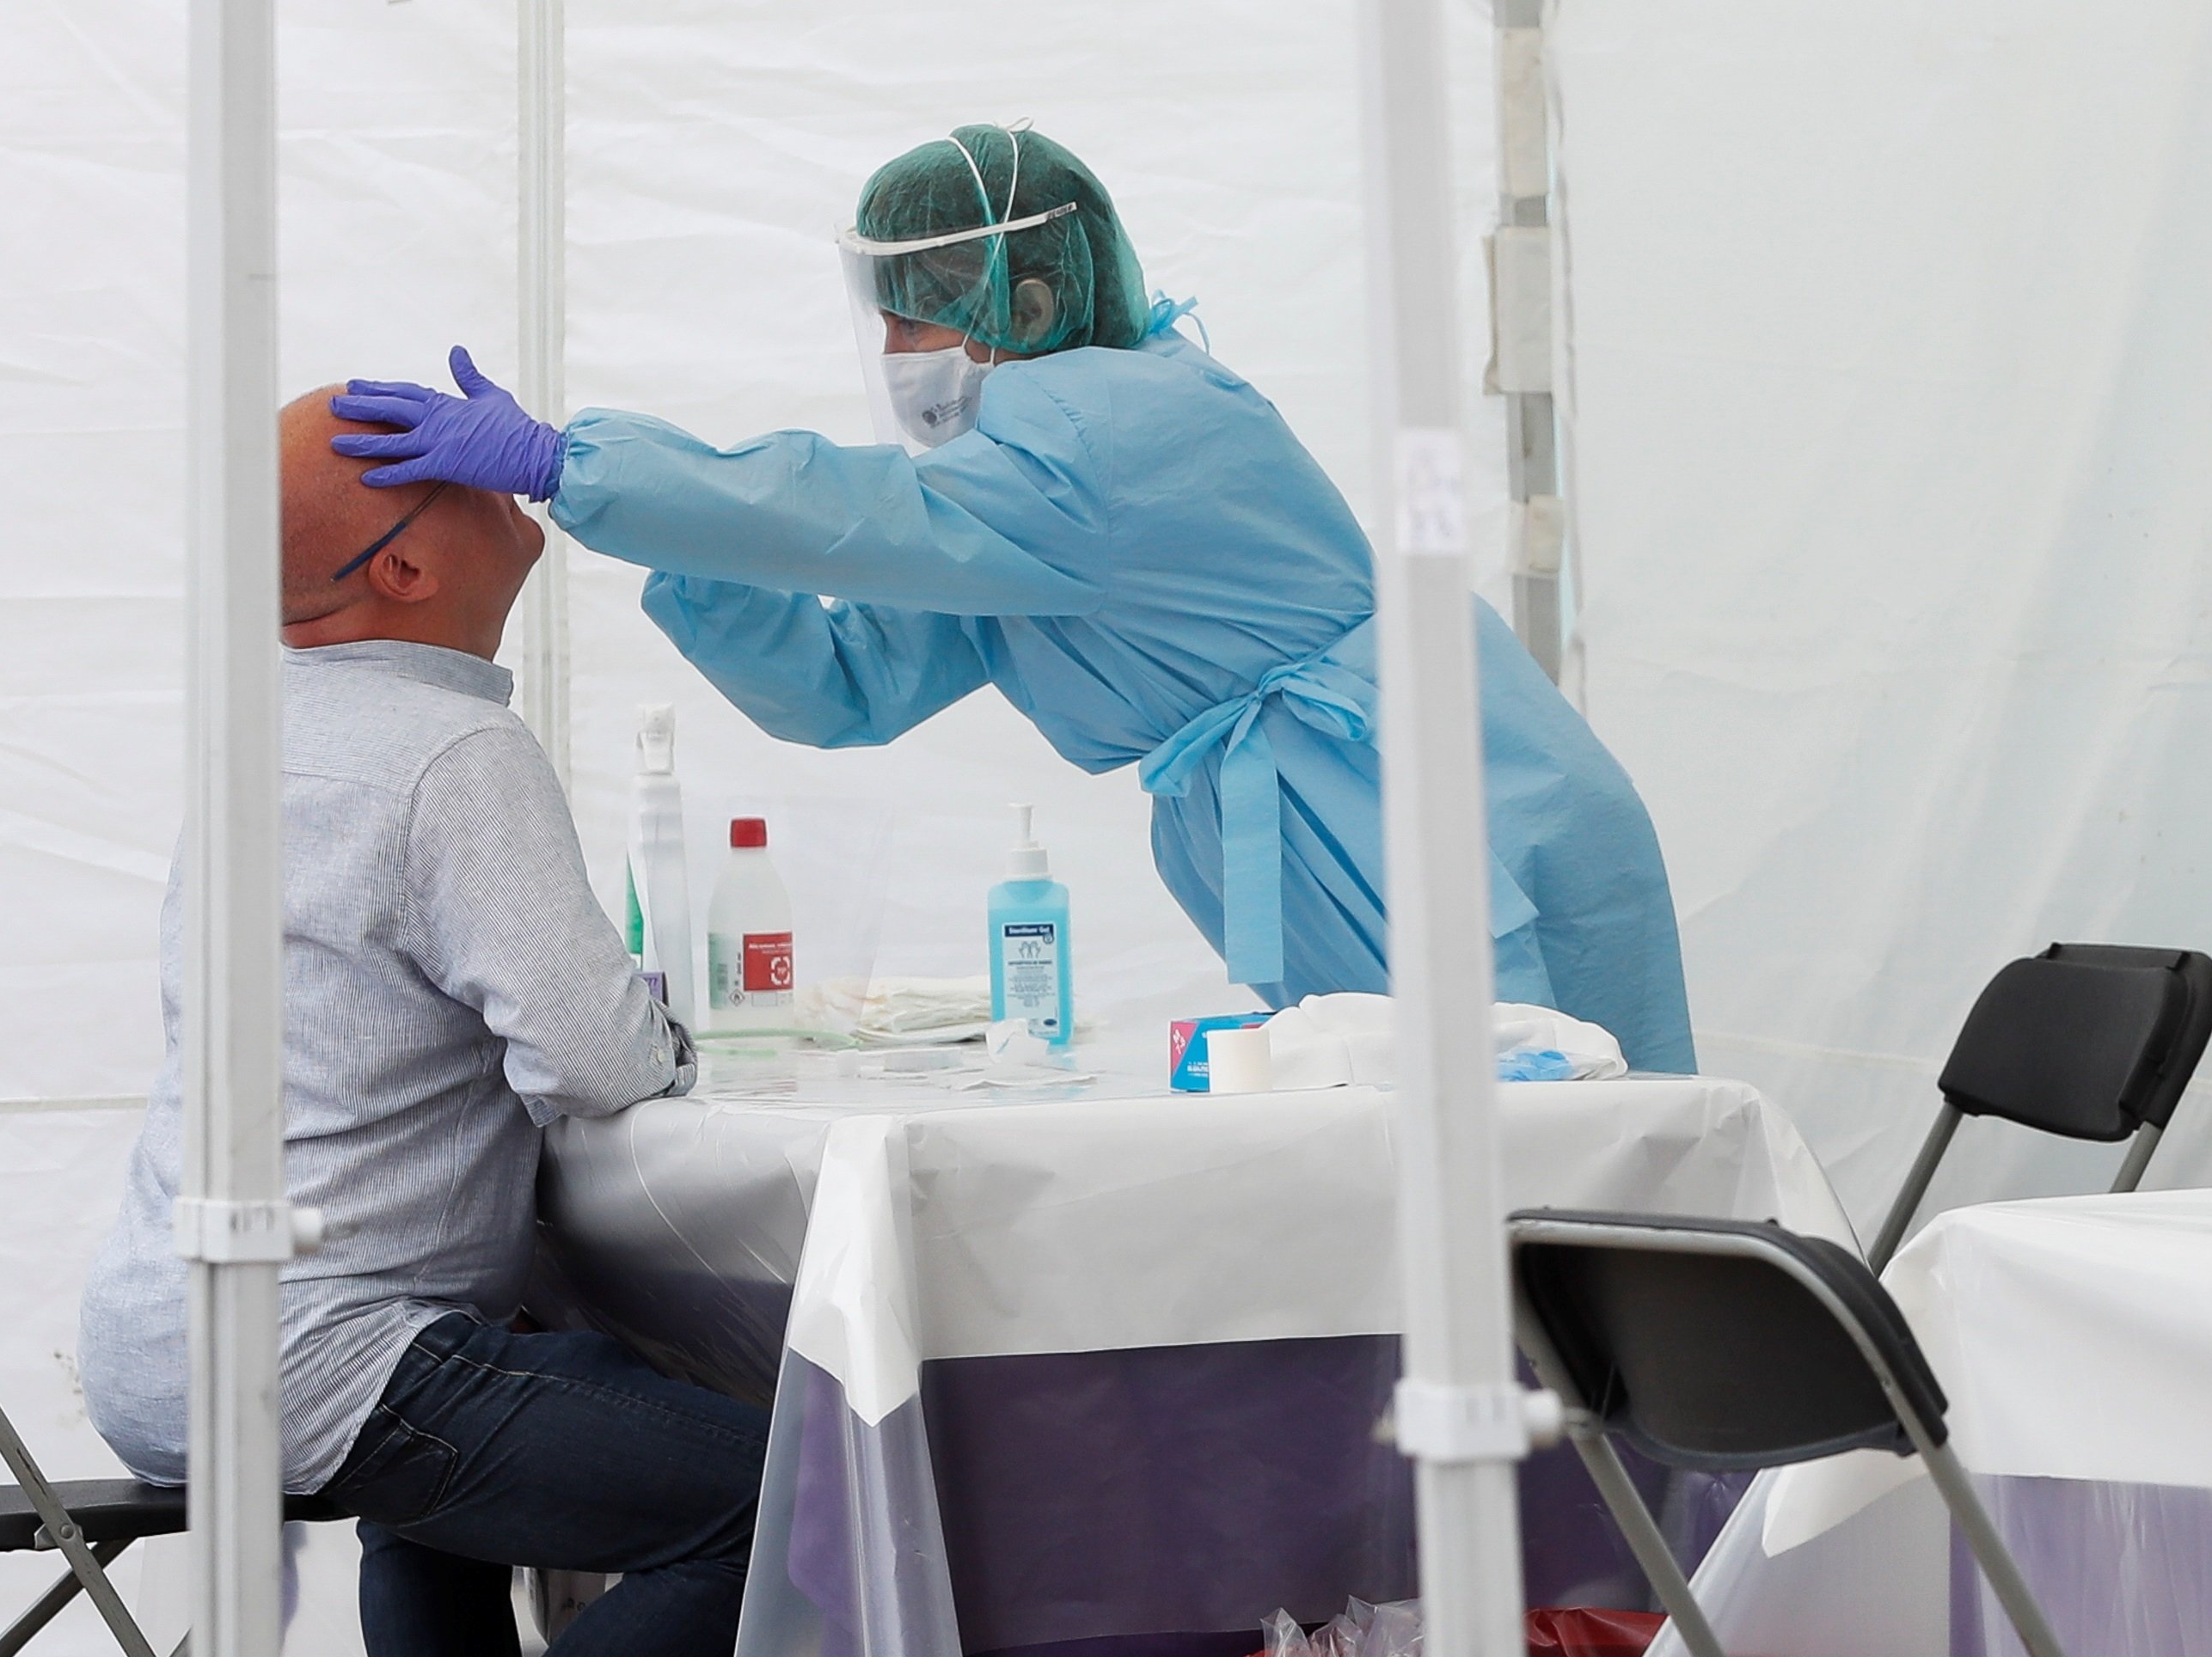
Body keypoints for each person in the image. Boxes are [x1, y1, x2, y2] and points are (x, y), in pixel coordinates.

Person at [327, 123, 1697, 1069]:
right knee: (1463, 1189)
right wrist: (690, 546)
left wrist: (580, 464)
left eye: (912, 313)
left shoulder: (1110, 425)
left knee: (1570, 1185)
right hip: (1336, 820)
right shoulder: (1014, 504)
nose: (891, 353)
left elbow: (849, 511)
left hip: (1451, 806)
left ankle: (1652, 1491)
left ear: (1024, 295)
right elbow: (846, 687)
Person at [75, 392, 748, 1657]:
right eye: (467, 475)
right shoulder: (450, 750)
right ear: (396, 566)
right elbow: (595, 1055)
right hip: (319, 1348)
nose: (510, 476)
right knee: (790, 1508)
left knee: (479, 1402)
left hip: (172, 1333)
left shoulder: (265, 740)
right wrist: (667, 1026)